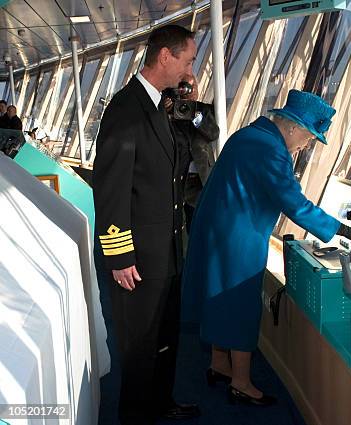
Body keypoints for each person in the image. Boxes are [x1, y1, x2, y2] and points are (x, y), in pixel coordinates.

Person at [183, 89, 351, 406]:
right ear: (292, 126)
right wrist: (341, 229)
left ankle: (219, 364)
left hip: (216, 228)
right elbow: (293, 202)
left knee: (217, 295)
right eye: (309, 137)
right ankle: (241, 382)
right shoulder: (270, 150)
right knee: (239, 303)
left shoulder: (250, 134)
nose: (306, 145)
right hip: (238, 237)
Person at [92, 25, 200, 425]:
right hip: (137, 259)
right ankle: (136, 415)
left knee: (165, 338)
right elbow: (111, 191)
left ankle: (161, 401)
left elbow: (187, 153)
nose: (191, 68)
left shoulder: (160, 105)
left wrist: (190, 98)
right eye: (188, 60)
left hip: (166, 250)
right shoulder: (125, 110)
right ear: (165, 57)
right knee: (139, 347)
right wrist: (119, 257)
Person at [163, 74, 219, 232]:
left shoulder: (203, 110)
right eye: (186, 88)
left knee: (199, 223)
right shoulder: (170, 110)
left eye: (193, 88)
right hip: (177, 175)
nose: (191, 92)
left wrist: (196, 118)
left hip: (201, 177)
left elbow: (213, 134)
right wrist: (165, 112)